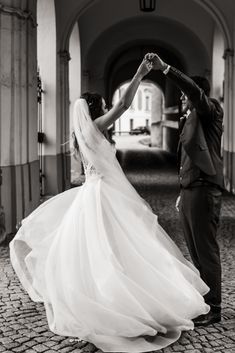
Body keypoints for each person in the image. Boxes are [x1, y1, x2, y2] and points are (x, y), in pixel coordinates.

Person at [10, 58, 210, 353]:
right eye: (102, 105)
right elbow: (123, 107)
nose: (106, 107)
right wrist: (141, 73)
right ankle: (117, 306)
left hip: (92, 193)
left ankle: (103, 302)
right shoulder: (94, 128)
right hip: (103, 194)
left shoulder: (81, 137)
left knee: (98, 254)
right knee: (115, 250)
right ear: (94, 111)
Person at [145, 53, 224, 327]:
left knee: (206, 250)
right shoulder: (190, 118)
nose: (180, 99)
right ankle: (204, 300)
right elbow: (188, 158)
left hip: (204, 190)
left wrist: (166, 69)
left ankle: (214, 307)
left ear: (195, 93)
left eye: (183, 94)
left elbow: (193, 92)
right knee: (194, 249)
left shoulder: (210, 109)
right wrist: (182, 189)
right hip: (191, 189)